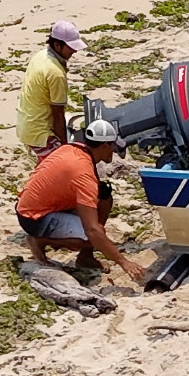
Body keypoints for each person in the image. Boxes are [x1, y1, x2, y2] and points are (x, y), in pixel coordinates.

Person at [15, 118, 147, 285]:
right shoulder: (83, 173)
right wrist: (124, 262)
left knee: (104, 197)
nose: (113, 152)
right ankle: (39, 241)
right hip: (34, 217)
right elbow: (92, 230)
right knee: (92, 236)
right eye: (113, 147)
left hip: (40, 205)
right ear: (105, 146)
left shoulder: (73, 148)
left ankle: (86, 257)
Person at [17, 21, 82, 151]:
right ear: (57, 45)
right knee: (63, 164)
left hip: (25, 126)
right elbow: (58, 113)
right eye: (70, 47)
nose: (74, 50)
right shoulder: (55, 73)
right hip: (41, 134)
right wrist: (64, 147)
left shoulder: (40, 56)